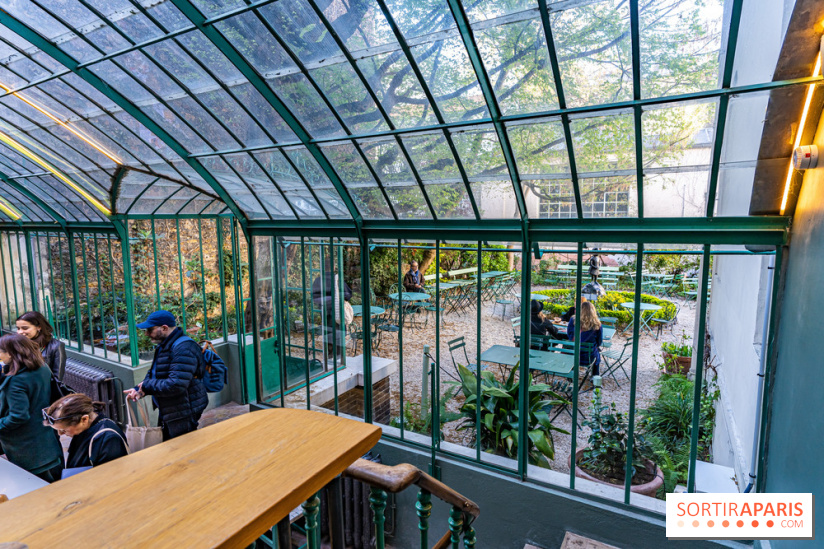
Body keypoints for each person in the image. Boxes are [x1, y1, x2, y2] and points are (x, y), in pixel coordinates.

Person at [123, 310, 207, 441]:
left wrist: (147, 386)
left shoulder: (184, 348)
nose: (146, 334)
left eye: (149, 329)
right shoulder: (165, 345)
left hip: (184, 410)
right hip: (171, 407)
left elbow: (176, 384)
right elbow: (155, 372)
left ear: (164, 328)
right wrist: (140, 390)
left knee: (182, 449)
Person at [0, 334, 63, 482]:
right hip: (47, 439)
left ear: (10, 353)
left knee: (39, 489)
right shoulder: (41, 367)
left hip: (29, 450)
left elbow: (18, 416)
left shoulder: (16, 382)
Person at [44, 393, 128, 472]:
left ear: (84, 419)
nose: (60, 434)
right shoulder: (84, 427)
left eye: (64, 430)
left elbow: (111, 477)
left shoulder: (109, 439)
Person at [311, 267, 352, 359]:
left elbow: (314, 296)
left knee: (328, 333)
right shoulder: (337, 280)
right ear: (333, 267)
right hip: (337, 312)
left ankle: (329, 355)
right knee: (338, 334)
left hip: (324, 311)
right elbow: (348, 295)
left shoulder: (318, 280)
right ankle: (339, 356)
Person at [16, 311, 66, 382]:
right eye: (18, 328)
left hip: (42, 389)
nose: (20, 332)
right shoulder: (17, 343)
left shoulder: (56, 346)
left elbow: (57, 378)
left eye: (25, 328)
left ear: (39, 327)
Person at [566, 301, 603, 375]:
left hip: (574, 355)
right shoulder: (597, 324)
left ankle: (570, 376)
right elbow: (599, 342)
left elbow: (569, 336)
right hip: (588, 357)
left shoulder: (573, 320)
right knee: (596, 354)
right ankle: (595, 376)